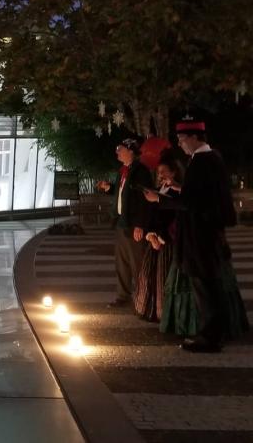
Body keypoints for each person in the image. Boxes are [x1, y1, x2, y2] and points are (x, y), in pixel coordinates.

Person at [144, 119, 249, 352]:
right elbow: (203, 195)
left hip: (200, 235)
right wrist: (180, 188)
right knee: (210, 284)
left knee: (205, 285)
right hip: (208, 233)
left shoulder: (202, 161)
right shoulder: (213, 158)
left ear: (194, 137)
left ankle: (210, 337)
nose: (180, 145)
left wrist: (160, 199)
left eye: (182, 140)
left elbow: (193, 203)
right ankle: (213, 332)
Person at [97, 138, 154, 308]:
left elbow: (144, 199)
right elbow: (124, 193)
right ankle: (123, 296)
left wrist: (140, 225)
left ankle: (143, 297)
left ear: (130, 151)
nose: (117, 152)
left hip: (133, 224)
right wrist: (110, 188)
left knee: (137, 263)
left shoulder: (140, 171)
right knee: (121, 262)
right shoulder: (123, 170)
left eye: (120, 149)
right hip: (122, 223)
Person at [134, 153, 183, 322]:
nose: (160, 175)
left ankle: (166, 314)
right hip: (155, 240)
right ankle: (151, 309)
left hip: (167, 243)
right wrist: (150, 234)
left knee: (164, 280)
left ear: (174, 173)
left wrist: (159, 237)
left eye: (164, 172)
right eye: (158, 172)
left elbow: (172, 219)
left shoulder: (176, 193)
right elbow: (152, 216)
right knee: (149, 278)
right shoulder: (161, 190)